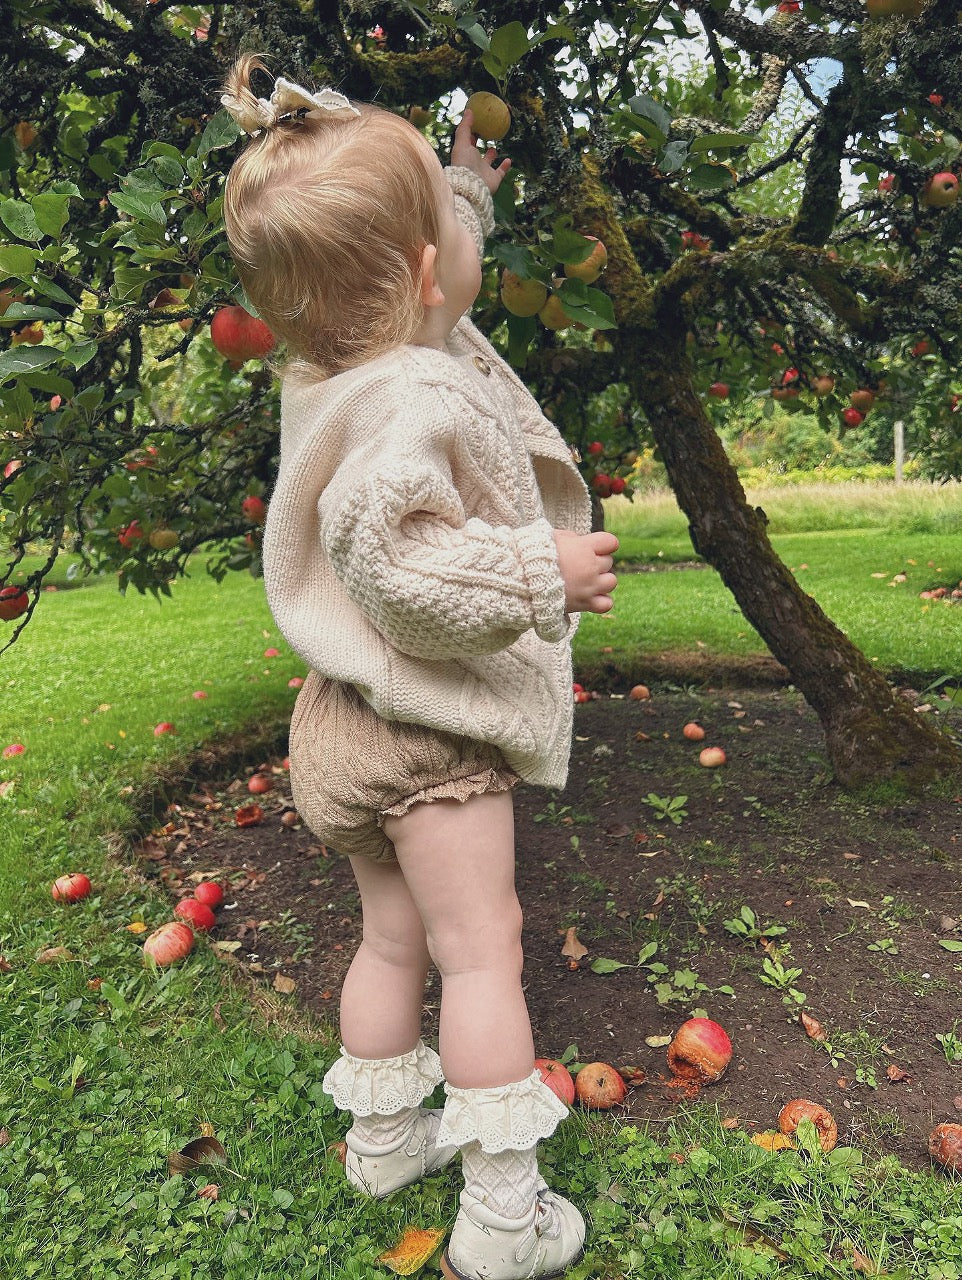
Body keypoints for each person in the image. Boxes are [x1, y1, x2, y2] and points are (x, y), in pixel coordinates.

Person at [219, 54, 619, 1280]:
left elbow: (432, 273)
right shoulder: (409, 399)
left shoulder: (330, 367)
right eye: (449, 225)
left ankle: (387, 1140)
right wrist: (533, 573)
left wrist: (463, 181)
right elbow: (399, 565)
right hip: (430, 732)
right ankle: (506, 1218)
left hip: (344, 724)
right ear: (426, 272)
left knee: (389, 941)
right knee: (479, 947)